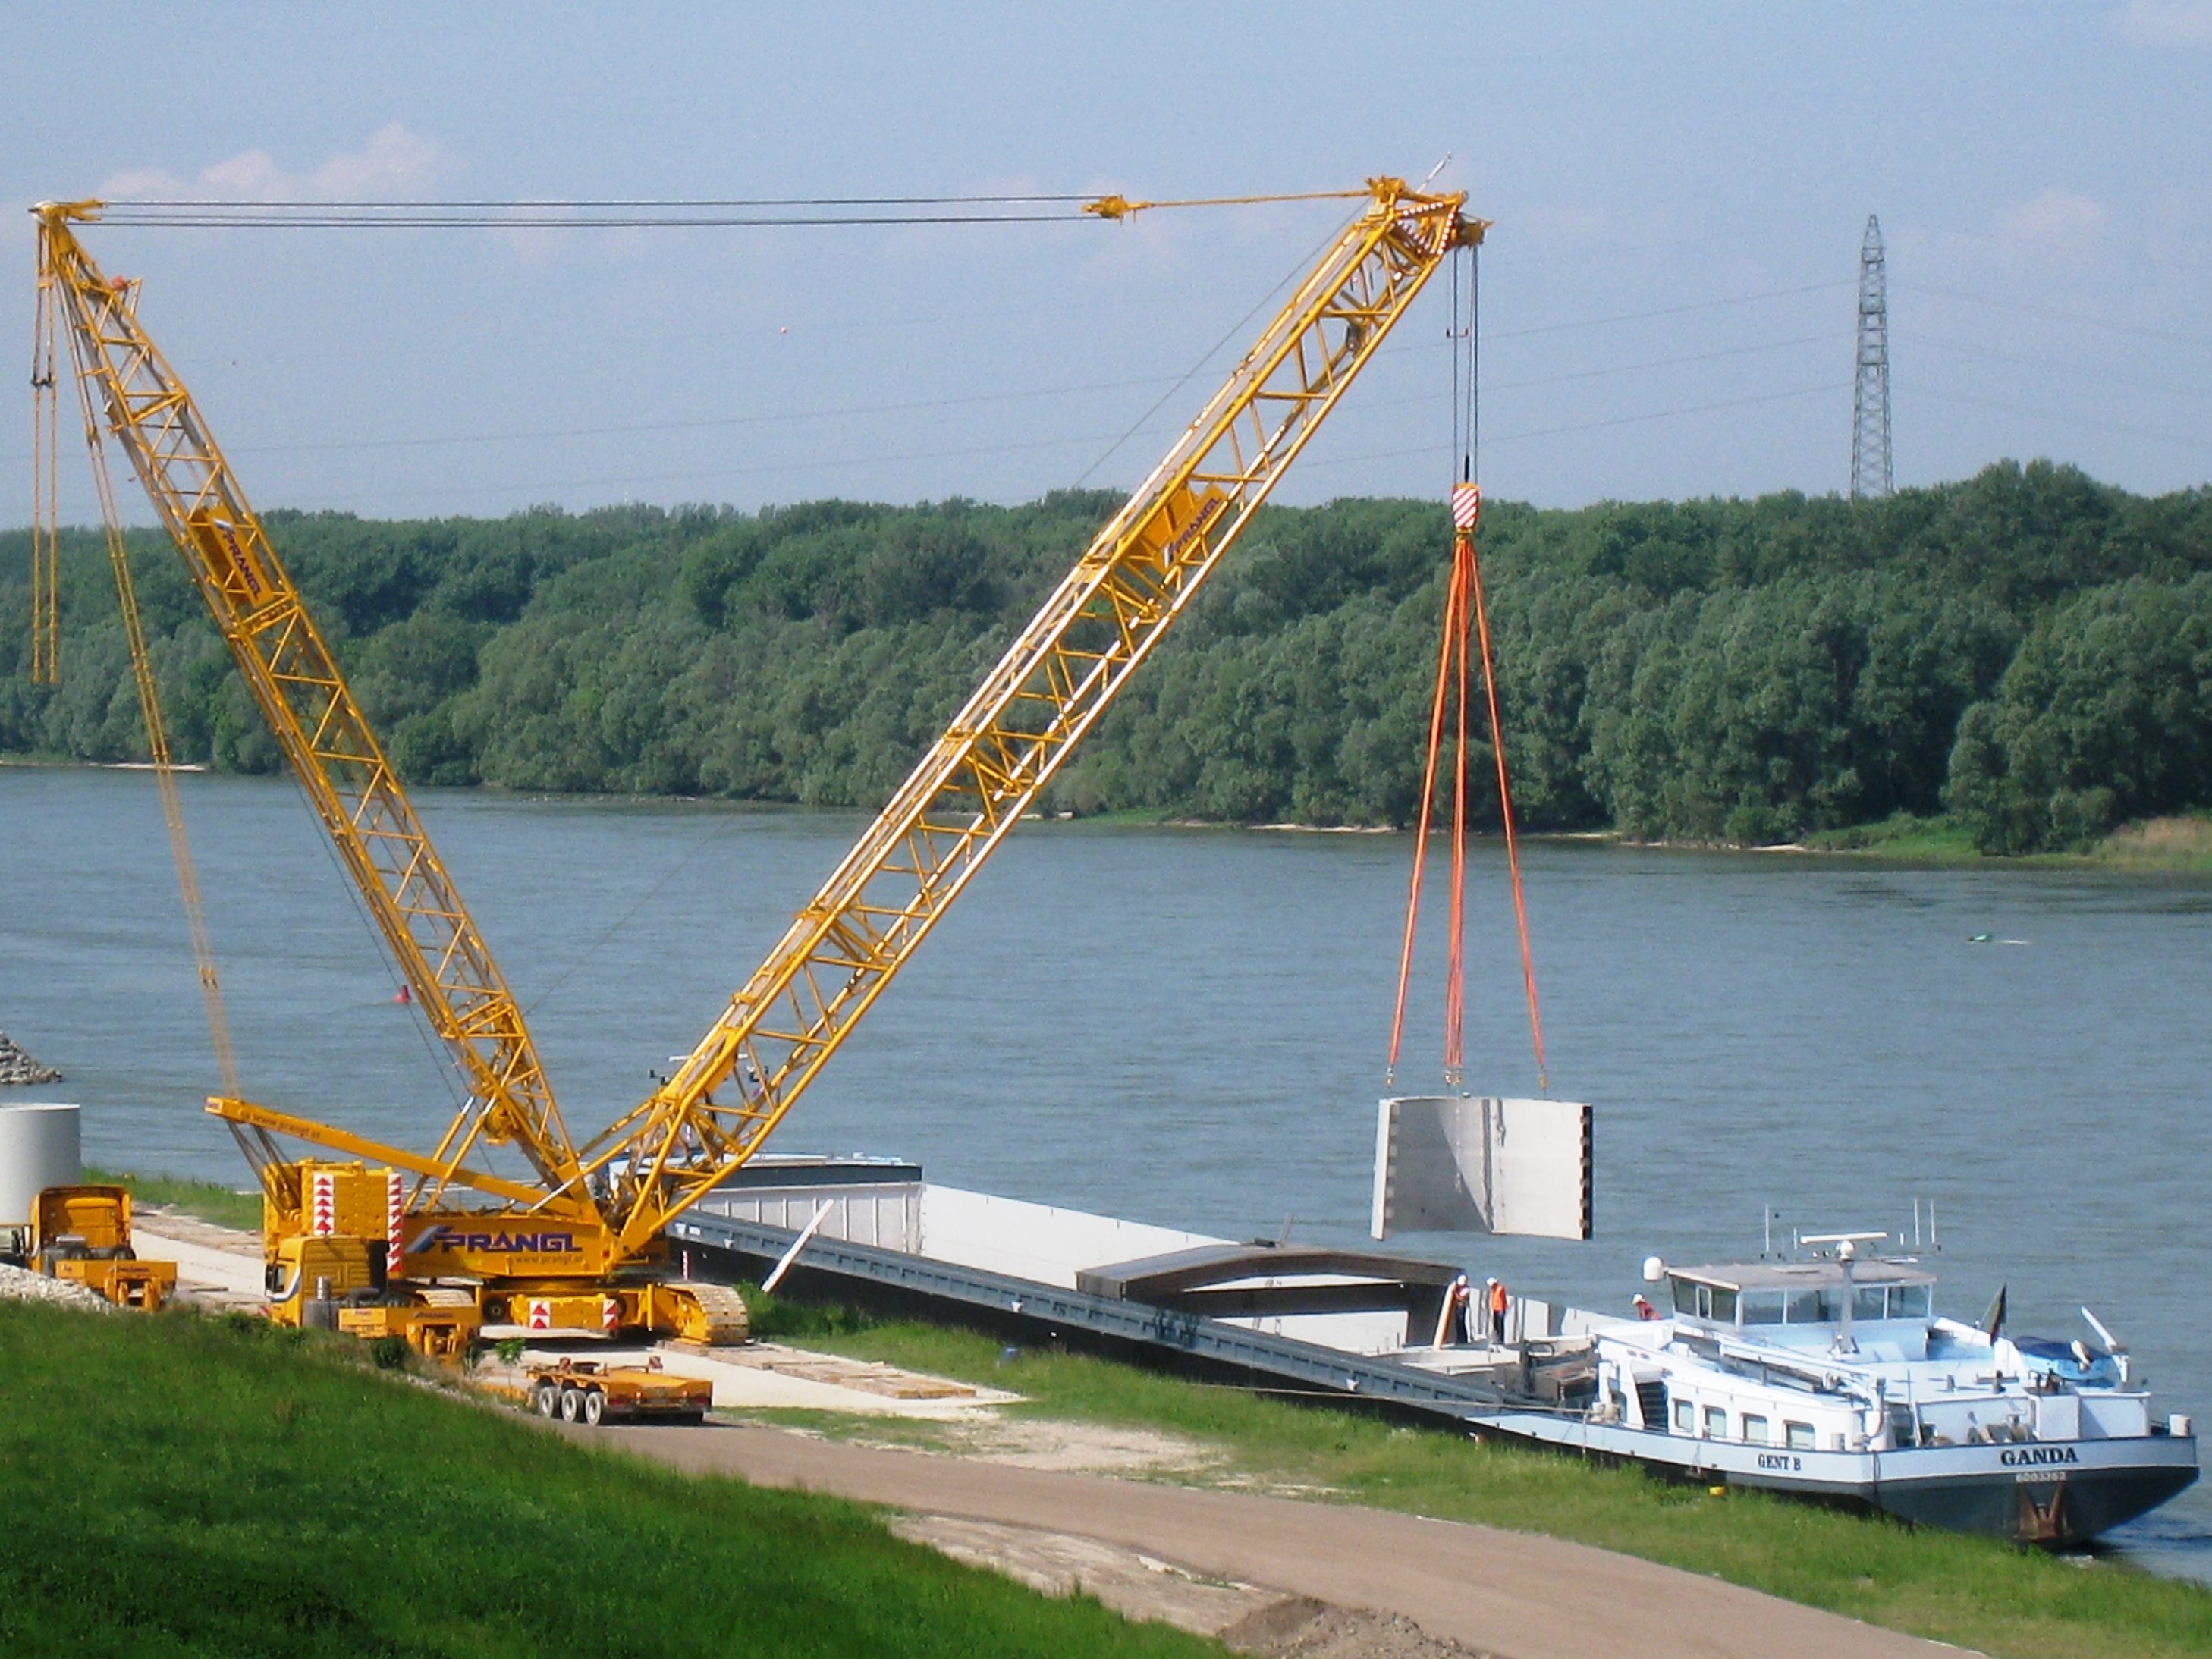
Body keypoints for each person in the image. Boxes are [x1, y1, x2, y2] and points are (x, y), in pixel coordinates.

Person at [1487, 1276, 1509, 1346]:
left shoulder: (1500, 1289)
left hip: (1500, 1309)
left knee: (1500, 1325)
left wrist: (1503, 1308)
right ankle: (1497, 1339)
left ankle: (1501, 1340)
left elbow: (1502, 1299)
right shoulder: (1493, 1289)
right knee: (1496, 1324)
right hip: (1495, 1308)